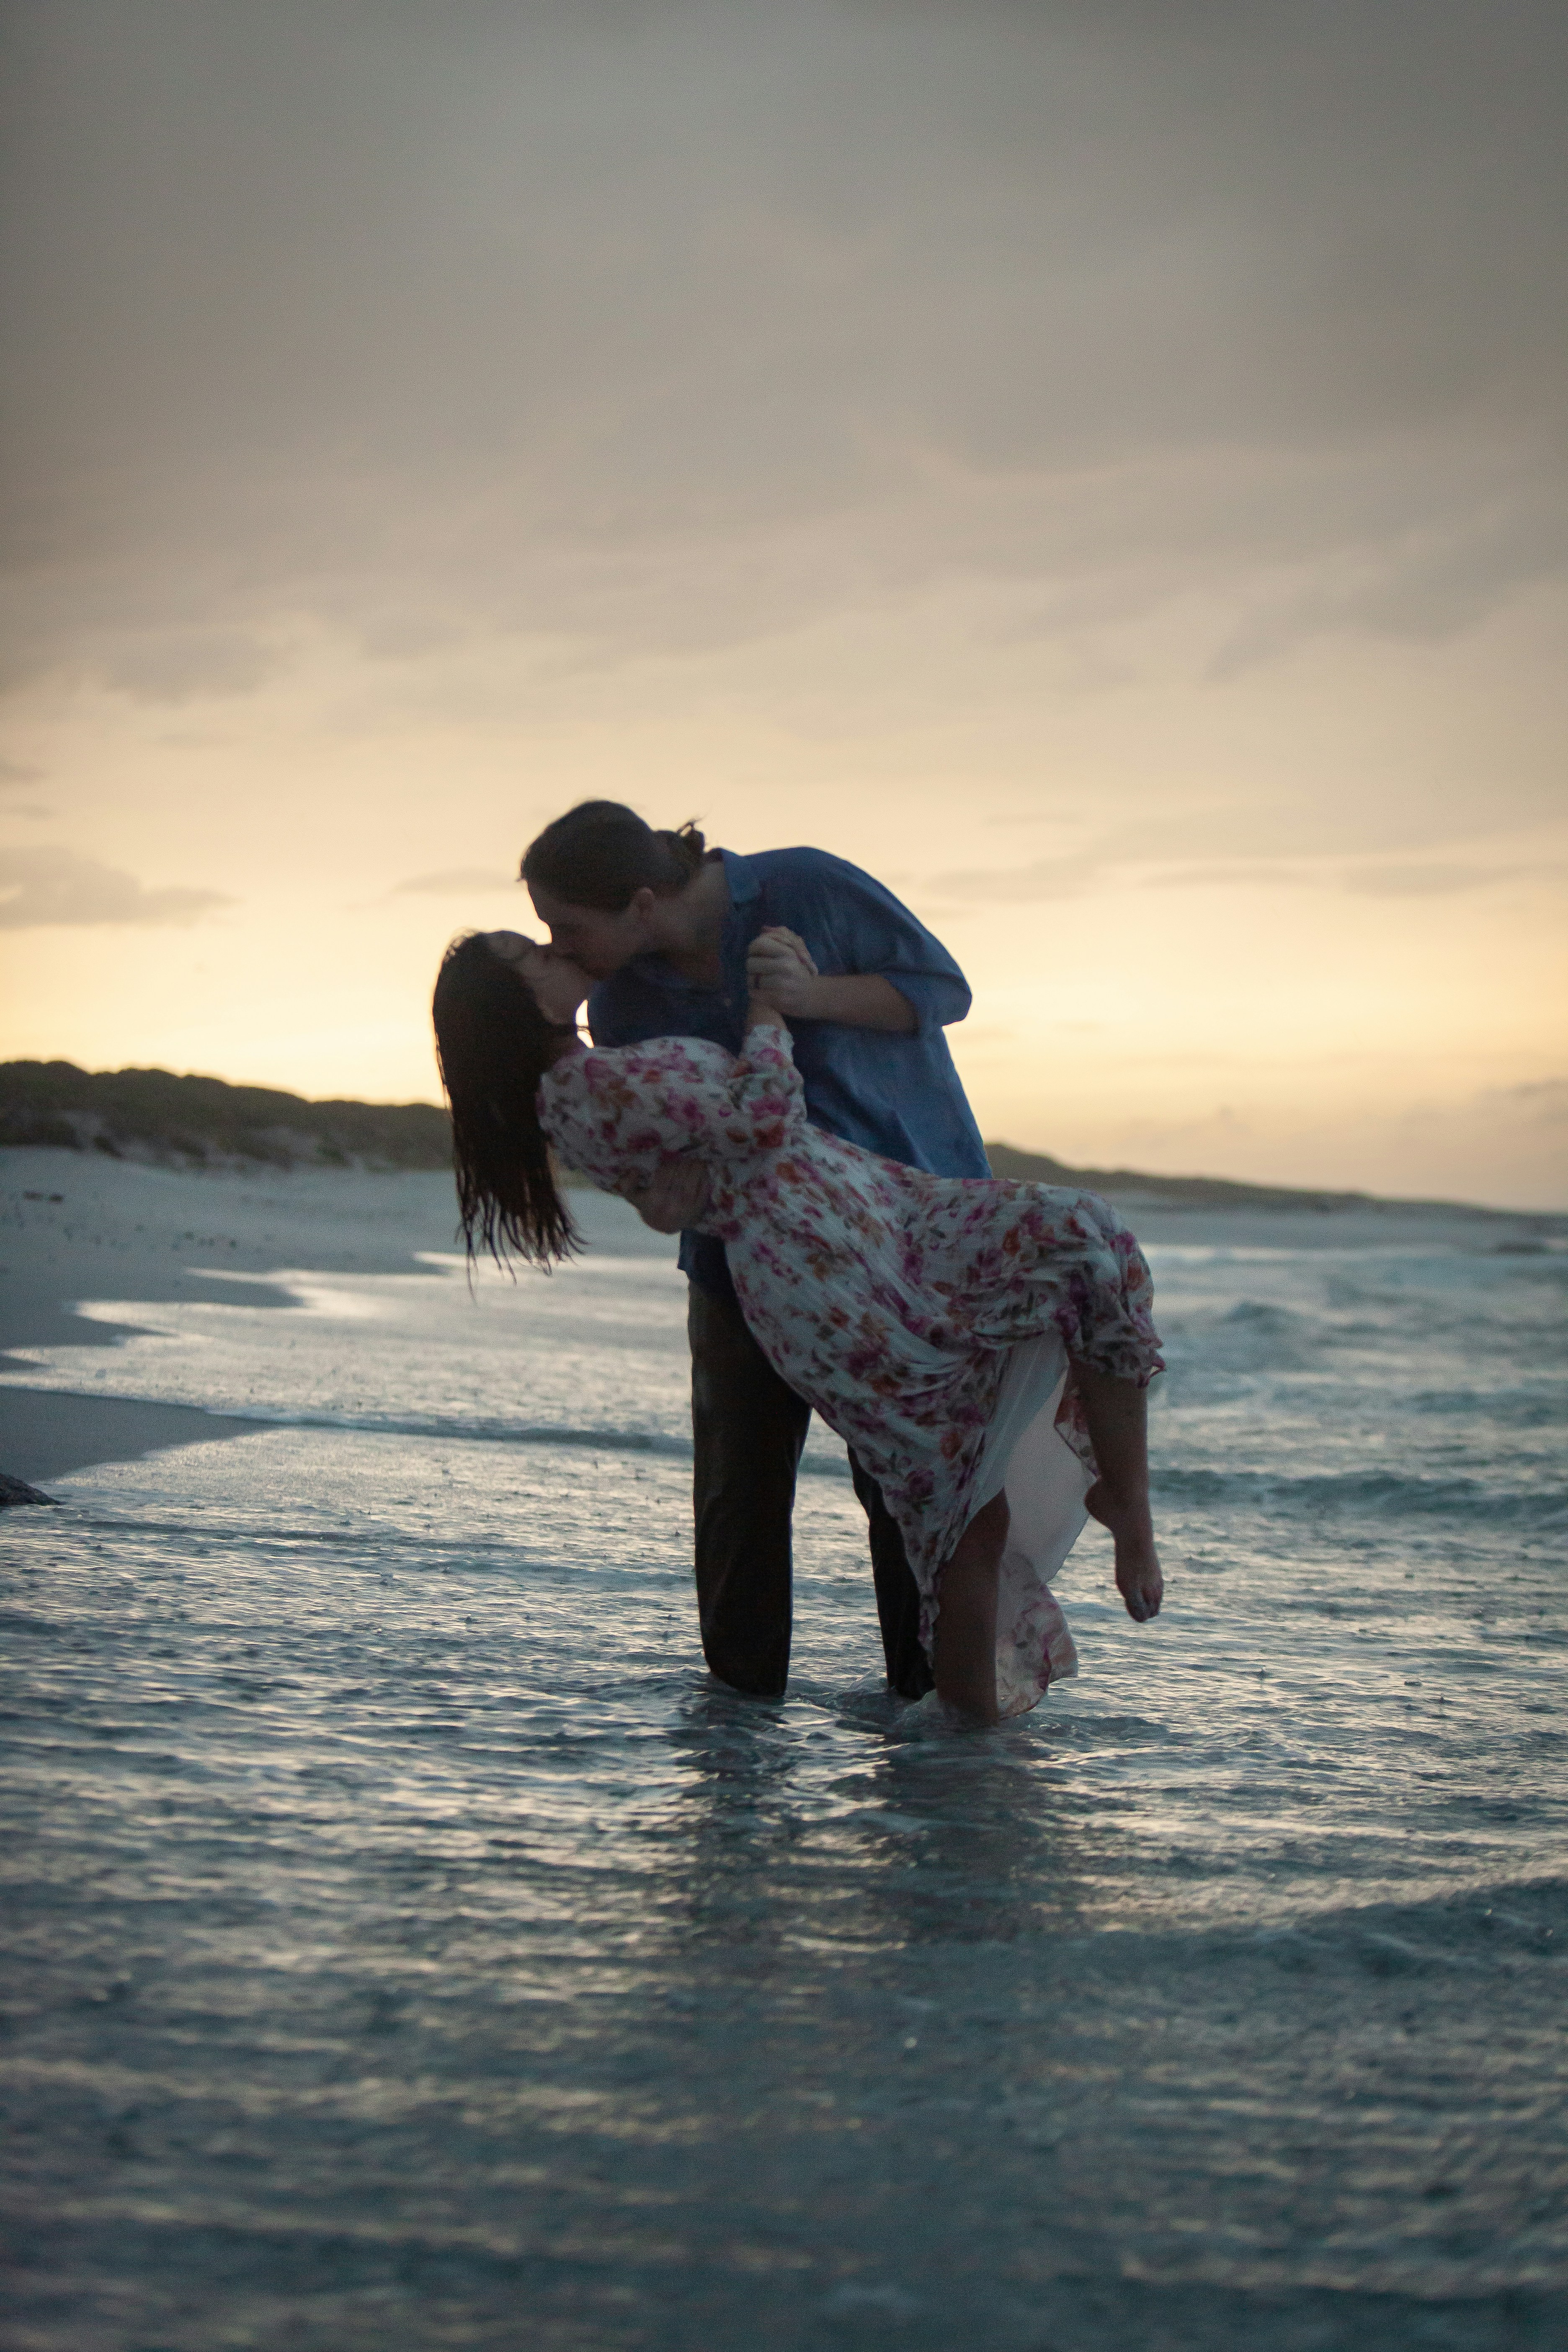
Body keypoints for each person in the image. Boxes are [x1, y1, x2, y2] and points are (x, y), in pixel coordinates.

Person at [431, 929, 1164, 1727]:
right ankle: (971, 1736)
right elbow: (766, 1113)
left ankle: (1104, 1526)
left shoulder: (583, 1085)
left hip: (867, 1222)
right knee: (963, 1503)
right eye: (531, 958)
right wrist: (768, 1012)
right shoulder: (586, 1086)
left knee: (1078, 1261)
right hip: (824, 1263)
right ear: (514, 1005)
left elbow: (690, 1169)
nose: (552, 950)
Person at [518, 801, 993, 1705]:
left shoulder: (804, 884)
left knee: (910, 1488)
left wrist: (809, 999)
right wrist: (655, 1195)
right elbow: (663, 1148)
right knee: (738, 1497)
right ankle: (737, 1735)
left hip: (905, 1245)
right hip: (739, 1268)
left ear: (643, 902)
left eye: (567, 927)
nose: (559, 947)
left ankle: (930, 1729)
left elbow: (943, 991)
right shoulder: (620, 1003)